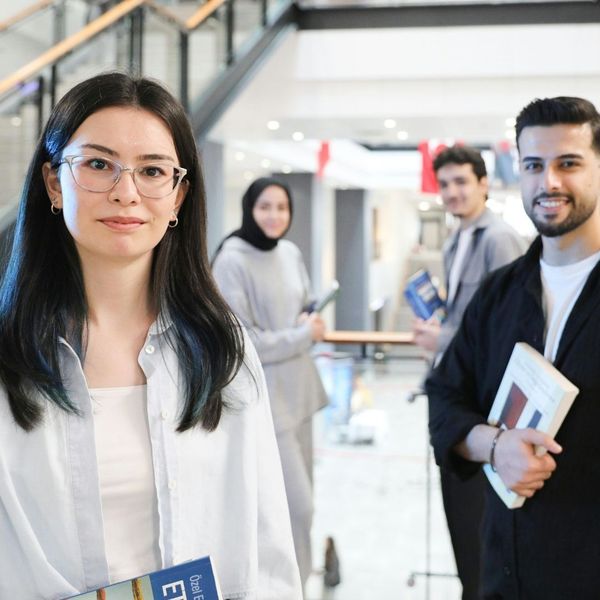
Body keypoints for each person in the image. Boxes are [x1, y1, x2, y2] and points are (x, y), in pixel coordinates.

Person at [0, 72, 301, 600]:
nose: (126, 193)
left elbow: (266, 541)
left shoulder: (220, 348)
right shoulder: (10, 351)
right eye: (98, 164)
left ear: (179, 194)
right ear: (53, 183)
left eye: (153, 170)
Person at [427, 95, 600, 599]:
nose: (549, 182)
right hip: (506, 568)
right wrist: (496, 445)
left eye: (568, 163)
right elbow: (445, 401)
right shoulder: (500, 292)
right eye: (533, 165)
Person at [412, 145, 525, 600]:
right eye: (445, 184)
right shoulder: (459, 237)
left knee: (481, 535)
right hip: (456, 394)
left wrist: (441, 340)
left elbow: (504, 324)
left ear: (484, 183)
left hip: (486, 404)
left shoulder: (498, 238)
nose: (453, 192)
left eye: (462, 182)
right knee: (463, 529)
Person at [212, 177, 329, 589]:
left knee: (301, 508)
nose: (275, 216)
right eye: (265, 207)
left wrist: (309, 317)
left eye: (282, 208)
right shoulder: (231, 260)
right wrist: (302, 335)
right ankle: (287, 587)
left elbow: (303, 303)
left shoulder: (291, 252)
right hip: (266, 401)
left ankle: (302, 581)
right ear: (249, 208)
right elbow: (244, 343)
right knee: (297, 508)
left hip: (300, 393)